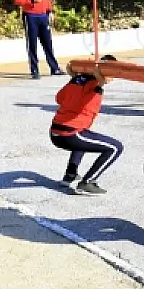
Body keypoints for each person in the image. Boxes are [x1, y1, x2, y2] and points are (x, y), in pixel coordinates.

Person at [50, 55, 123, 195]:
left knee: (84, 135)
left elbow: (59, 99)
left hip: (55, 133)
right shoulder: (94, 84)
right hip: (70, 134)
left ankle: (70, 175)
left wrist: (73, 79)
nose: (113, 78)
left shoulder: (77, 80)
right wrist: (99, 84)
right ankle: (87, 182)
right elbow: (88, 102)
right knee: (115, 148)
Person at [14, 0, 64, 80]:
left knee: (48, 42)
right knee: (32, 44)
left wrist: (50, 11)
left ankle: (54, 68)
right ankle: (35, 70)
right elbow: (17, 0)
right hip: (30, 16)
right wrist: (31, 0)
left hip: (43, 16)